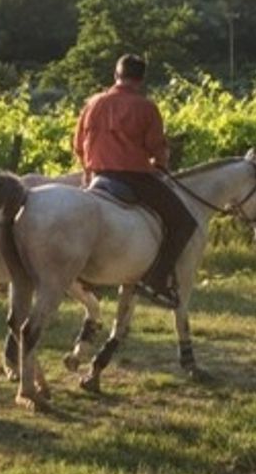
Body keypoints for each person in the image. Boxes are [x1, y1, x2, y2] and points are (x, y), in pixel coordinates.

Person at [73, 53, 196, 309]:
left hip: (98, 177)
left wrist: (89, 171)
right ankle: (157, 280)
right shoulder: (146, 107)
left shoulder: (93, 103)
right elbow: (156, 148)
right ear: (140, 80)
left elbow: (77, 145)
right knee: (184, 222)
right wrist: (161, 165)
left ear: (116, 75)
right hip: (134, 177)